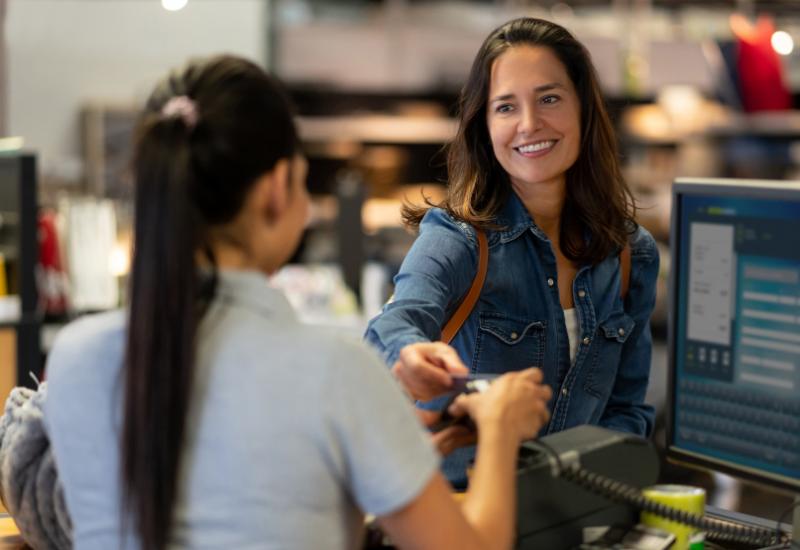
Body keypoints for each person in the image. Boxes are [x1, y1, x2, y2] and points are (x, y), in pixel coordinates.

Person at [42, 55, 552, 550]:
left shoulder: (74, 356)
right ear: (278, 187)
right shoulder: (337, 371)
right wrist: (501, 430)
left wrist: (394, 453)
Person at [365, 17, 659, 489]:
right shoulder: (459, 237)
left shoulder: (632, 256)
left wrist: (594, 492)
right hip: (466, 517)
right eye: (505, 107)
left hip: (577, 519)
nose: (529, 124)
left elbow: (627, 410)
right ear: (484, 124)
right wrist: (410, 357)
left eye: (549, 98)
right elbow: (393, 326)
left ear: (583, 108)